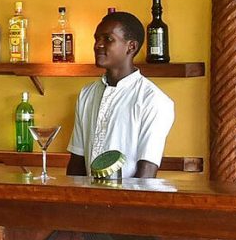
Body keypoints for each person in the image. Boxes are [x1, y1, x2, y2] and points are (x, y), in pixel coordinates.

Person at [67, 12, 175, 179]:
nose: (98, 45)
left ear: (131, 46)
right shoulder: (87, 94)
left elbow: (146, 171)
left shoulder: (153, 100)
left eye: (108, 39)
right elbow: (77, 161)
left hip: (127, 201)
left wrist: (124, 204)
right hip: (87, 200)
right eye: (96, 39)